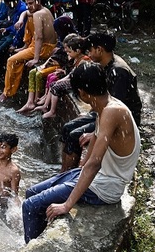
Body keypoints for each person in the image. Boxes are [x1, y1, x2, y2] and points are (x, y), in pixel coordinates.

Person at [23, 62, 140, 243]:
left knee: (30, 206)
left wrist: (67, 205)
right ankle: (39, 234)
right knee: (31, 193)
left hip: (106, 186)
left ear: (83, 93)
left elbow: (94, 163)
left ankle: (30, 251)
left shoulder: (111, 111)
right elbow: (96, 136)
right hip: (99, 178)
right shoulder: (107, 105)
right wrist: (79, 169)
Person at [59, 32, 142, 171]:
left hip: (123, 120)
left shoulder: (119, 71)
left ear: (99, 50)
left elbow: (115, 109)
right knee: (67, 128)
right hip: (104, 113)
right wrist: (91, 114)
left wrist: (95, 133)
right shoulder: (105, 65)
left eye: (90, 50)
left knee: (75, 136)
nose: (89, 54)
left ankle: (70, 174)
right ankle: (64, 171)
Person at [0, 0, 57, 102]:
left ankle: (7, 93)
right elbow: (25, 13)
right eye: (27, 4)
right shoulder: (44, 10)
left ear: (38, 1)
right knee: (28, 19)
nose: (28, 6)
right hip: (44, 46)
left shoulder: (38, 14)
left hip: (44, 49)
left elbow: (39, 37)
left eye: (31, 3)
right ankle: (26, 45)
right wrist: (20, 20)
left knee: (11, 60)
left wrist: (36, 58)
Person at [32, 34, 91, 118]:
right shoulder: (76, 58)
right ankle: (45, 105)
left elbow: (72, 75)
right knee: (53, 84)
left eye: (69, 52)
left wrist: (61, 80)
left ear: (78, 51)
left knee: (56, 87)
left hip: (79, 83)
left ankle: (52, 111)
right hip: (74, 80)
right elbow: (70, 72)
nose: (68, 54)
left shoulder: (83, 60)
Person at [17, 49, 68, 114]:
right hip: (51, 63)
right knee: (32, 72)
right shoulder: (62, 49)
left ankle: (36, 100)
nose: (65, 49)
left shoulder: (71, 53)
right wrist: (44, 64)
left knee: (39, 74)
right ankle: (29, 102)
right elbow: (52, 56)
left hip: (58, 66)